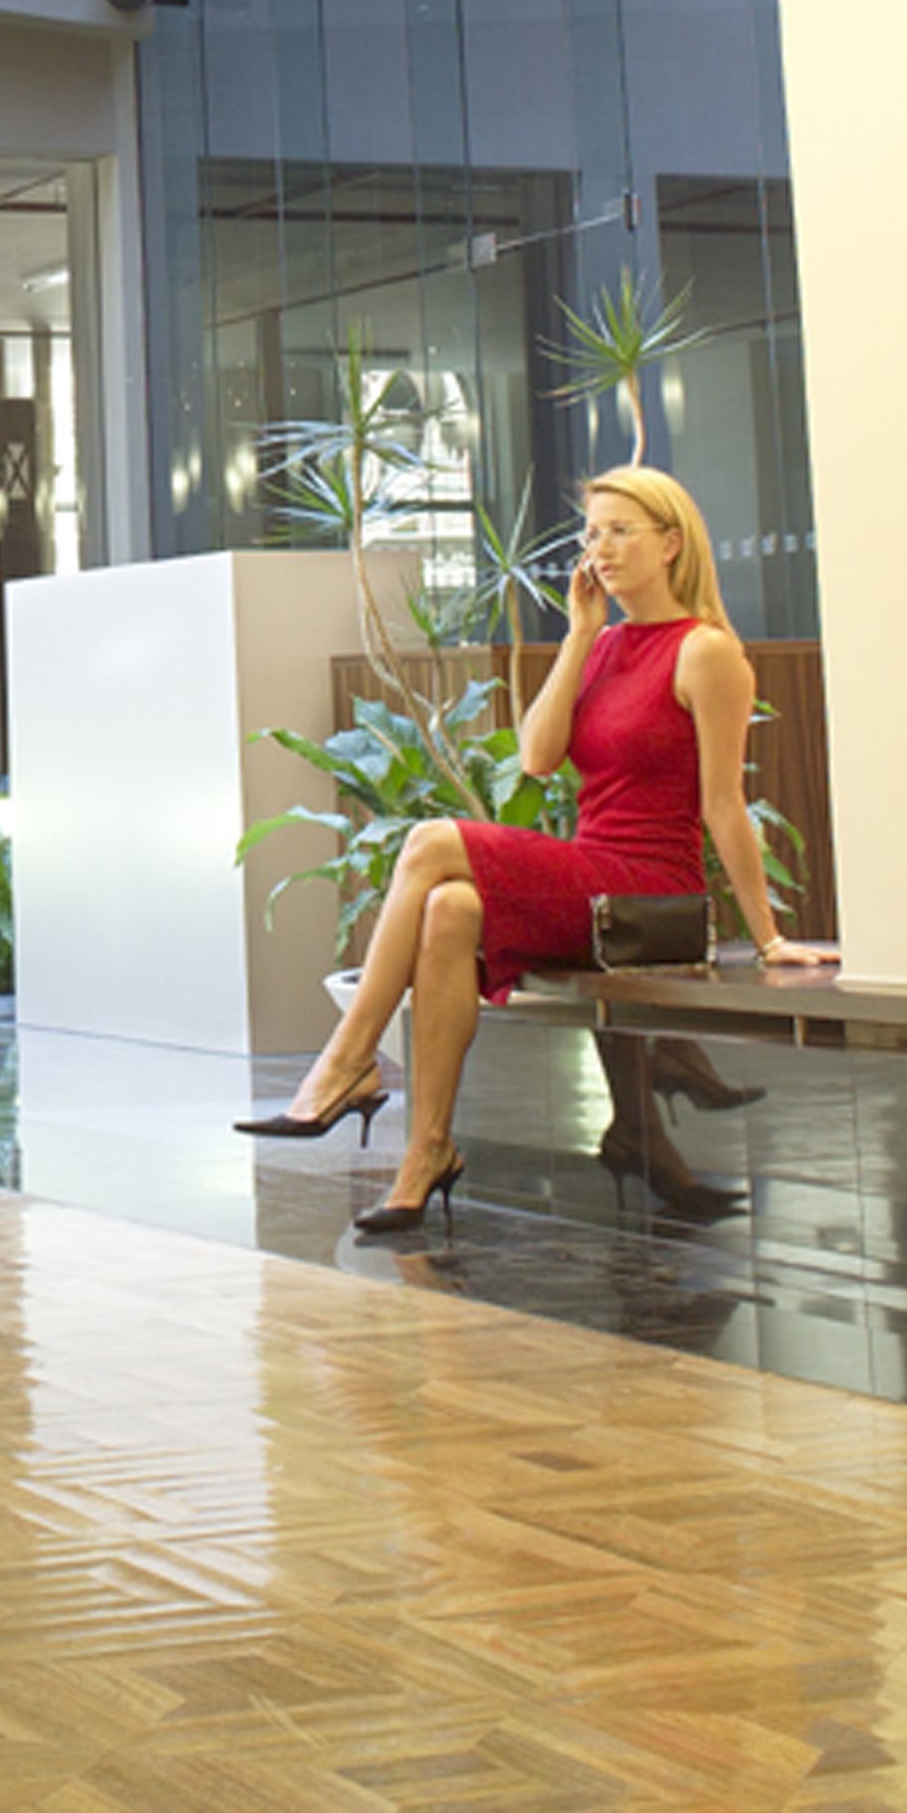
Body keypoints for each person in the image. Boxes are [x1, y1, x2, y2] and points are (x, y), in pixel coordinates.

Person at [235, 463, 837, 1239]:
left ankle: (347, 1064)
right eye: (593, 534)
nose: (602, 549)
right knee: (449, 907)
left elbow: (723, 803)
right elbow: (538, 758)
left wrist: (769, 937)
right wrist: (580, 635)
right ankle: (426, 1154)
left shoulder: (706, 651)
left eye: (622, 531)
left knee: (428, 841)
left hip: (653, 892)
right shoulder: (609, 644)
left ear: (672, 544)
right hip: (595, 873)